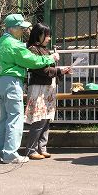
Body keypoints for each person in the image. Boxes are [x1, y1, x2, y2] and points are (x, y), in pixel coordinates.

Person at [0, 13, 59, 164]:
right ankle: (10, 154)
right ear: (13, 28)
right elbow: (31, 61)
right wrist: (50, 58)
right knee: (15, 118)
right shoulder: (14, 45)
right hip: (12, 82)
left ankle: (0, 151)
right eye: (21, 28)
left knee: (3, 119)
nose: (23, 31)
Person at [24, 23, 71, 160]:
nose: (49, 38)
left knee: (46, 119)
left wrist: (61, 71)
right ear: (39, 35)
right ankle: (31, 149)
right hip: (39, 88)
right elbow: (39, 69)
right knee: (38, 119)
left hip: (48, 87)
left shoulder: (44, 50)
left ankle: (42, 147)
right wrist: (58, 70)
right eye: (47, 35)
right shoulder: (33, 50)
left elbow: (48, 70)